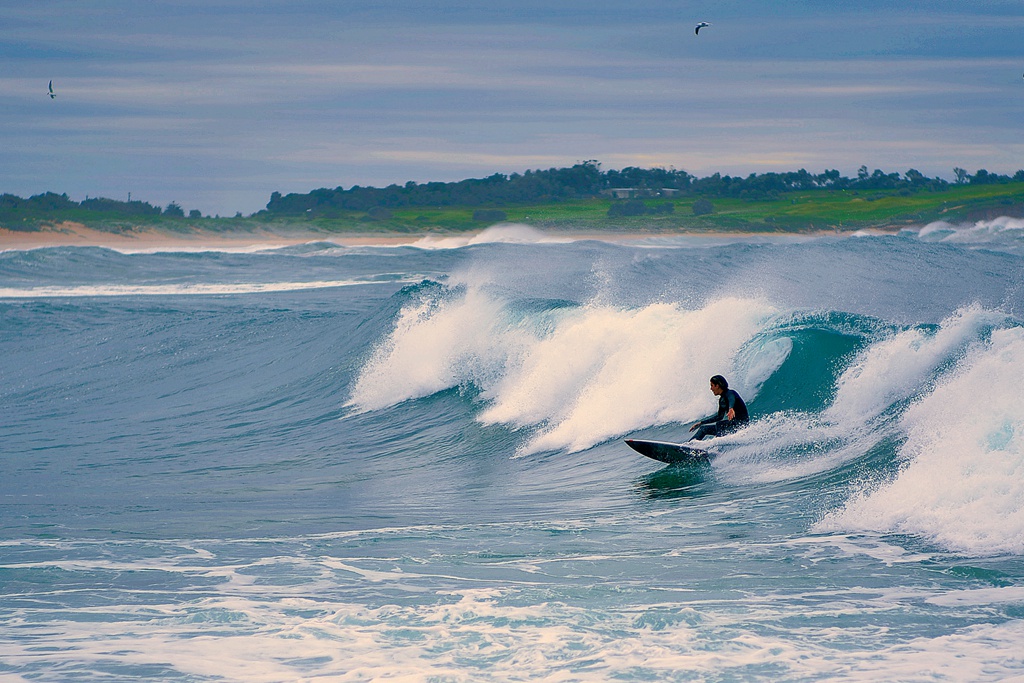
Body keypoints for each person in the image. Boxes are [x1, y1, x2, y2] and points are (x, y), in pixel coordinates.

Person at [688, 375, 748, 441]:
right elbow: (719, 417)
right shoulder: (722, 400)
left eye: (712, 385)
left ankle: (717, 445)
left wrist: (731, 408)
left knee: (720, 424)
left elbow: (731, 399)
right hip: (732, 425)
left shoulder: (730, 393)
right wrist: (701, 422)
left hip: (741, 425)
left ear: (717, 385)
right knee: (703, 429)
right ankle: (690, 445)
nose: (711, 389)